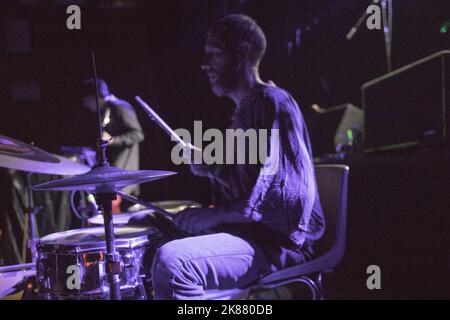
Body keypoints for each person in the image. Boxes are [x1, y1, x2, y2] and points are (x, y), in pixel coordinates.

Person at [148, 14, 325, 299]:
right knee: (154, 238)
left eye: (214, 54)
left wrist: (215, 214)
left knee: (173, 264)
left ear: (242, 53)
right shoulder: (244, 111)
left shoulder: (272, 102)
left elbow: (283, 197)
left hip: (275, 247)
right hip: (252, 238)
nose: (204, 64)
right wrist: (211, 166)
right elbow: (249, 179)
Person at [81, 78, 144, 210]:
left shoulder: (120, 107)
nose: (85, 104)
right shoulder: (105, 110)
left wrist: (112, 140)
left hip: (123, 173)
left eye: (86, 99)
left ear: (95, 96)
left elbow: (138, 134)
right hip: (113, 174)